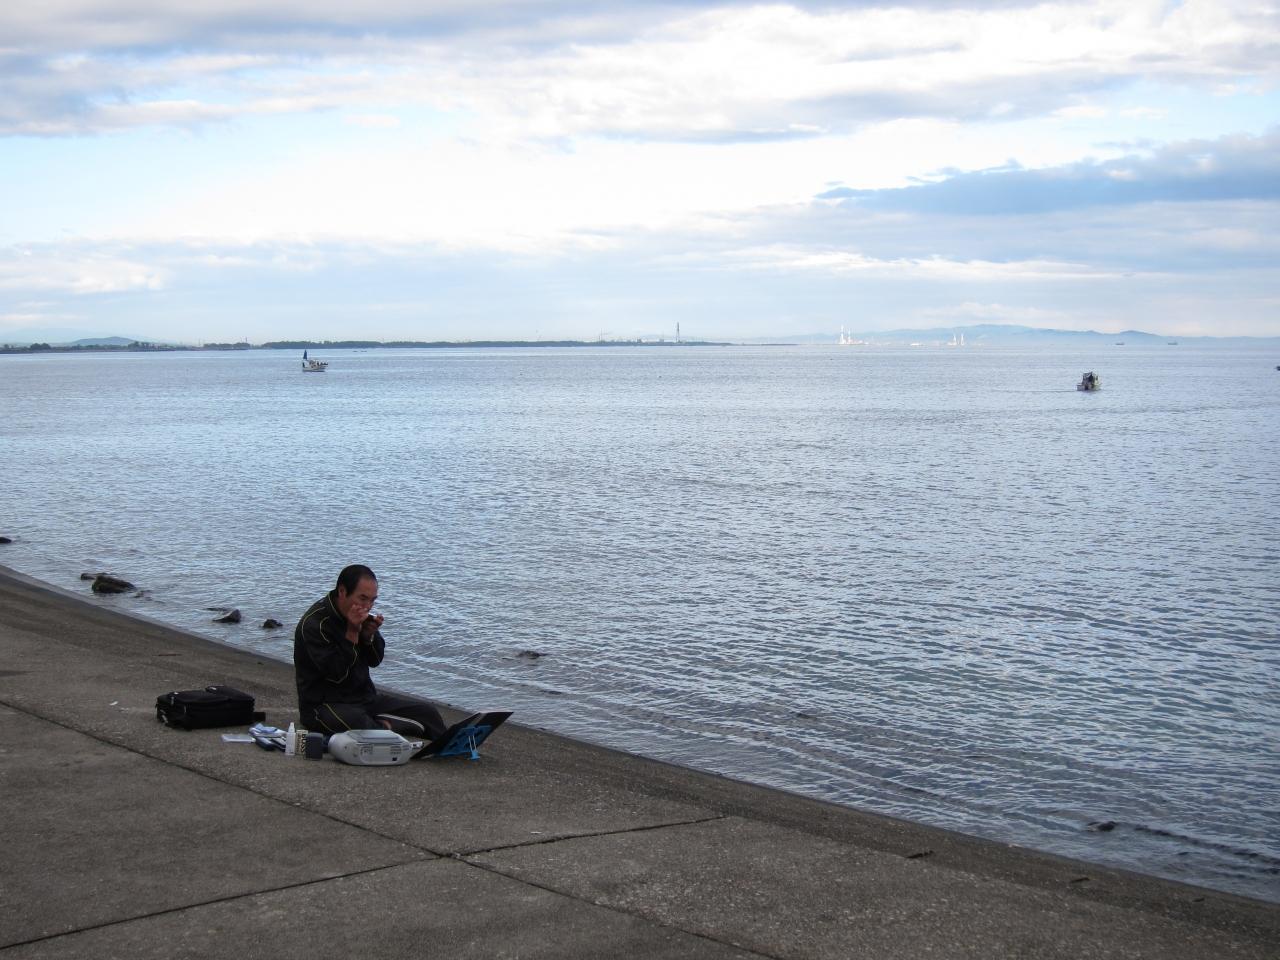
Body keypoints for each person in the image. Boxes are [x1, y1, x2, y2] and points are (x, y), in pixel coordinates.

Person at [294, 564, 446, 741]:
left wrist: (368, 637)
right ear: (342, 591)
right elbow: (336, 674)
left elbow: (375, 660)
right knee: (360, 723)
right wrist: (352, 633)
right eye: (362, 598)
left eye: (372, 600)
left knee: (428, 712)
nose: (367, 606)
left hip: (364, 699)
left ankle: (445, 743)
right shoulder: (315, 624)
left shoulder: (362, 616)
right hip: (323, 705)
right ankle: (388, 727)